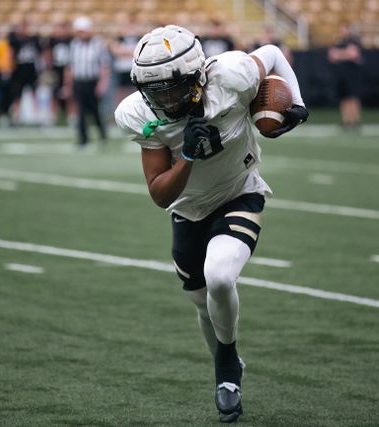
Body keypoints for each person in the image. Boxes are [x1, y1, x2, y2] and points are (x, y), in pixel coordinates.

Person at [115, 25, 308, 423]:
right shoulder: (138, 114)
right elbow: (160, 194)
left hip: (240, 191)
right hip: (187, 210)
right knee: (204, 305)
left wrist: (296, 103)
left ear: (198, 76)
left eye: (172, 89)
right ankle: (227, 354)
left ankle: (225, 367)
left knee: (220, 276)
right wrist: (186, 155)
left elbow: (271, 52)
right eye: (156, 92)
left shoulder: (232, 75)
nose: (164, 100)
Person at [64, 16, 110, 147]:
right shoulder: (74, 44)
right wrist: (68, 84)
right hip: (79, 82)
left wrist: (102, 83)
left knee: (96, 111)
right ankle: (83, 139)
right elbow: (69, 67)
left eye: (83, 31)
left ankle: (103, 136)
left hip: (92, 82)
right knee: (81, 113)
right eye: (79, 31)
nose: (81, 34)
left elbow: (104, 66)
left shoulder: (97, 44)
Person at [327, 22, 363, 129]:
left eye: (345, 29)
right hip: (340, 75)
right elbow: (332, 56)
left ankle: (355, 120)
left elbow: (354, 54)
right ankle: (346, 121)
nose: (343, 31)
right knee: (343, 98)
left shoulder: (354, 41)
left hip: (352, 74)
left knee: (353, 97)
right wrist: (345, 53)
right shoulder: (338, 42)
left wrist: (340, 54)